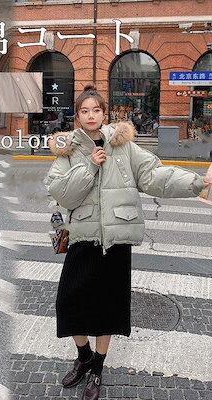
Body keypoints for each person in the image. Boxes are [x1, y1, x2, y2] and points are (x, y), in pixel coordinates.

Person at [44, 84, 211, 400]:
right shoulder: (68, 150)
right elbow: (62, 194)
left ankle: (97, 368)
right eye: (84, 111)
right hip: (83, 237)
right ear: (77, 116)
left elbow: (154, 177)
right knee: (68, 302)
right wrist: (90, 165)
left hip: (117, 239)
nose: (91, 116)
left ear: (104, 114)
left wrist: (196, 183)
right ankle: (83, 357)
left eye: (96, 110)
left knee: (108, 307)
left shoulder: (124, 147)